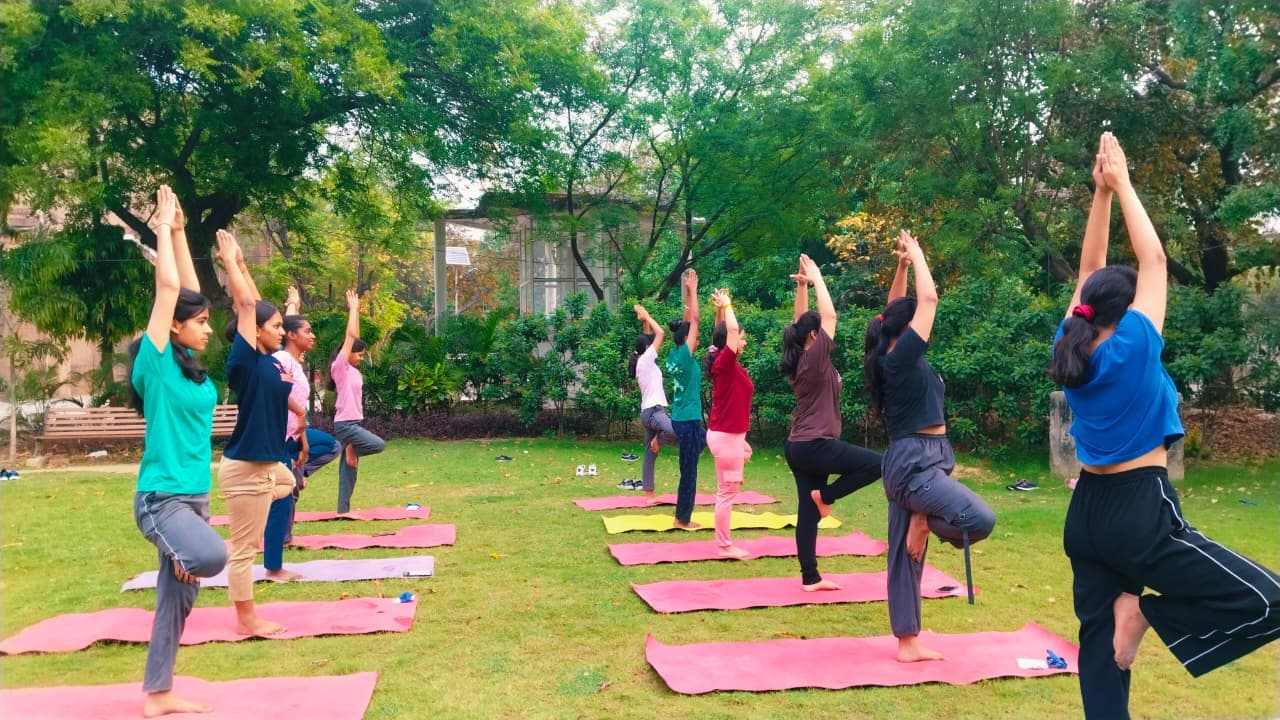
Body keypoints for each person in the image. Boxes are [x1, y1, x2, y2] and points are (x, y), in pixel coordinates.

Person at [1048, 132, 1280, 719]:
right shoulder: (1132, 347)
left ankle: (1129, 626)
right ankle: (1146, 613)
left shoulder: (1071, 342)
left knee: (1099, 655)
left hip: (1088, 514)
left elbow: (1088, 268)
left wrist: (1098, 195)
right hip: (1139, 511)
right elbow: (1153, 261)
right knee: (1267, 601)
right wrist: (1121, 182)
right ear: (1125, 313)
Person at [864, 229, 997, 663]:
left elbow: (891, 311)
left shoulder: (899, 356)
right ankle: (924, 518)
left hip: (924, 461)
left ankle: (907, 642)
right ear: (904, 332)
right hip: (914, 463)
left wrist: (901, 265)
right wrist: (920, 254)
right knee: (979, 518)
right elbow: (930, 300)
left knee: (905, 556)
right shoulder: (898, 360)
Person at [127, 186, 227, 717]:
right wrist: (161, 228)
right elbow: (169, 289)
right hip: (161, 498)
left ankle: (159, 695)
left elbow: (186, 292)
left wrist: (185, 230)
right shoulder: (158, 363)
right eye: (202, 322)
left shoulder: (188, 368)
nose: (209, 328)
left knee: (178, 601)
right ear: (173, 329)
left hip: (195, 499)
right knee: (209, 557)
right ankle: (183, 551)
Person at [780, 254, 882, 591]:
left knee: (807, 510)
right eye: (817, 331)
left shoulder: (802, 358)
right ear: (814, 337)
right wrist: (819, 275)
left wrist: (803, 286)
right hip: (815, 443)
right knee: (878, 464)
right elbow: (830, 316)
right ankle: (827, 495)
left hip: (800, 445)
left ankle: (810, 577)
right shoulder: (814, 359)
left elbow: (800, 323)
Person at [215, 229, 294, 636]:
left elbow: (257, 305)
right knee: (244, 550)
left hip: (267, 466)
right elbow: (248, 305)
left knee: (288, 483)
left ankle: (246, 505)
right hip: (246, 467)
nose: (282, 331)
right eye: (276, 326)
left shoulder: (271, 358)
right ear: (255, 331)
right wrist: (231, 263)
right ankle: (246, 621)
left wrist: (245, 266)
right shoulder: (244, 362)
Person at [263, 290, 340, 578]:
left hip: (294, 437)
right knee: (281, 500)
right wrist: (300, 419)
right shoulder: (281, 358)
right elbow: (277, 392)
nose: (313, 335)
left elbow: (286, 322)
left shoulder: (294, 361)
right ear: (291, 336)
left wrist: (293, 303)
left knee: (330, 446)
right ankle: (273, 566)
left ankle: (300, 472)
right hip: (278, 440)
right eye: (307, 331)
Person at [705, 288, 754, 558]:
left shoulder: (724, 361)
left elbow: (723, 332)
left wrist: (720, 311)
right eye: (742, 339)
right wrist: (728, 304)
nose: (743, 342)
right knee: (727, 492)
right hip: (726, 438)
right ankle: (725, 546)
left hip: (730, 437)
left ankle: (724, 543)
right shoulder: (726, 361)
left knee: (729, 487)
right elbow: (731, 332)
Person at [330, 290, 386, 514]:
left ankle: (343, 510)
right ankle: (352, 447)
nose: (361, 358)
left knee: (349, 470)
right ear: (348, 353)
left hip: (354, 424)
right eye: (360, 354)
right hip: (346, 424)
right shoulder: (340, 367)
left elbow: (355, 340)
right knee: (378, 444)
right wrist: (353, 309)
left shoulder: (352, 370)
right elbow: (351, 337)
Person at [665, 270, 706, 529]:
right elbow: (696, 321)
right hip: (688, 419)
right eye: (694, 338)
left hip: (682, 417)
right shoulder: (685, 356)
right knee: (689, 472)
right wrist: (692, 290)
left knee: (706, 440)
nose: (698, 340)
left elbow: (689, 323)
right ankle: (682, 519)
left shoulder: (674, 352)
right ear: (687, 340)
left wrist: (688, 299)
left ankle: (664, 437)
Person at [629, 303, 678, 506]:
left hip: (647, 412)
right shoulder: (647, 360)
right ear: (647, 350)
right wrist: (648, 316)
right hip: (654, 411)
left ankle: (649, 496)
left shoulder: (643, 360)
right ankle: (657, 439)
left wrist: (643, 323)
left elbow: (649, 338)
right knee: (675, 430)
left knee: (649, 455)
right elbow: (661, 333)